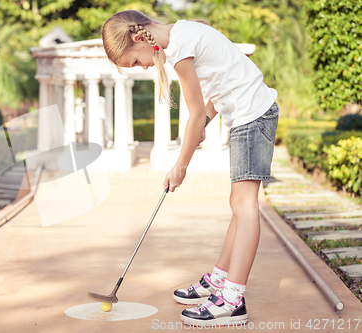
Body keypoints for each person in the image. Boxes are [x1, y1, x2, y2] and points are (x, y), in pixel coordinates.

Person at [101, 10, 279, 326]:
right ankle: (221, 280)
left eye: (134, 61)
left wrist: (179, 166)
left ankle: (233, 300)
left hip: (253, 116)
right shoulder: (183, 35)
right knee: (238, 206)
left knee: (245, 206)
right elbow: (220, 85)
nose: (142, 66)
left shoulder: (179, 47)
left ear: (138, 38)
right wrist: (207, 121)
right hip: (248, 116)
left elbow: (194, 114)